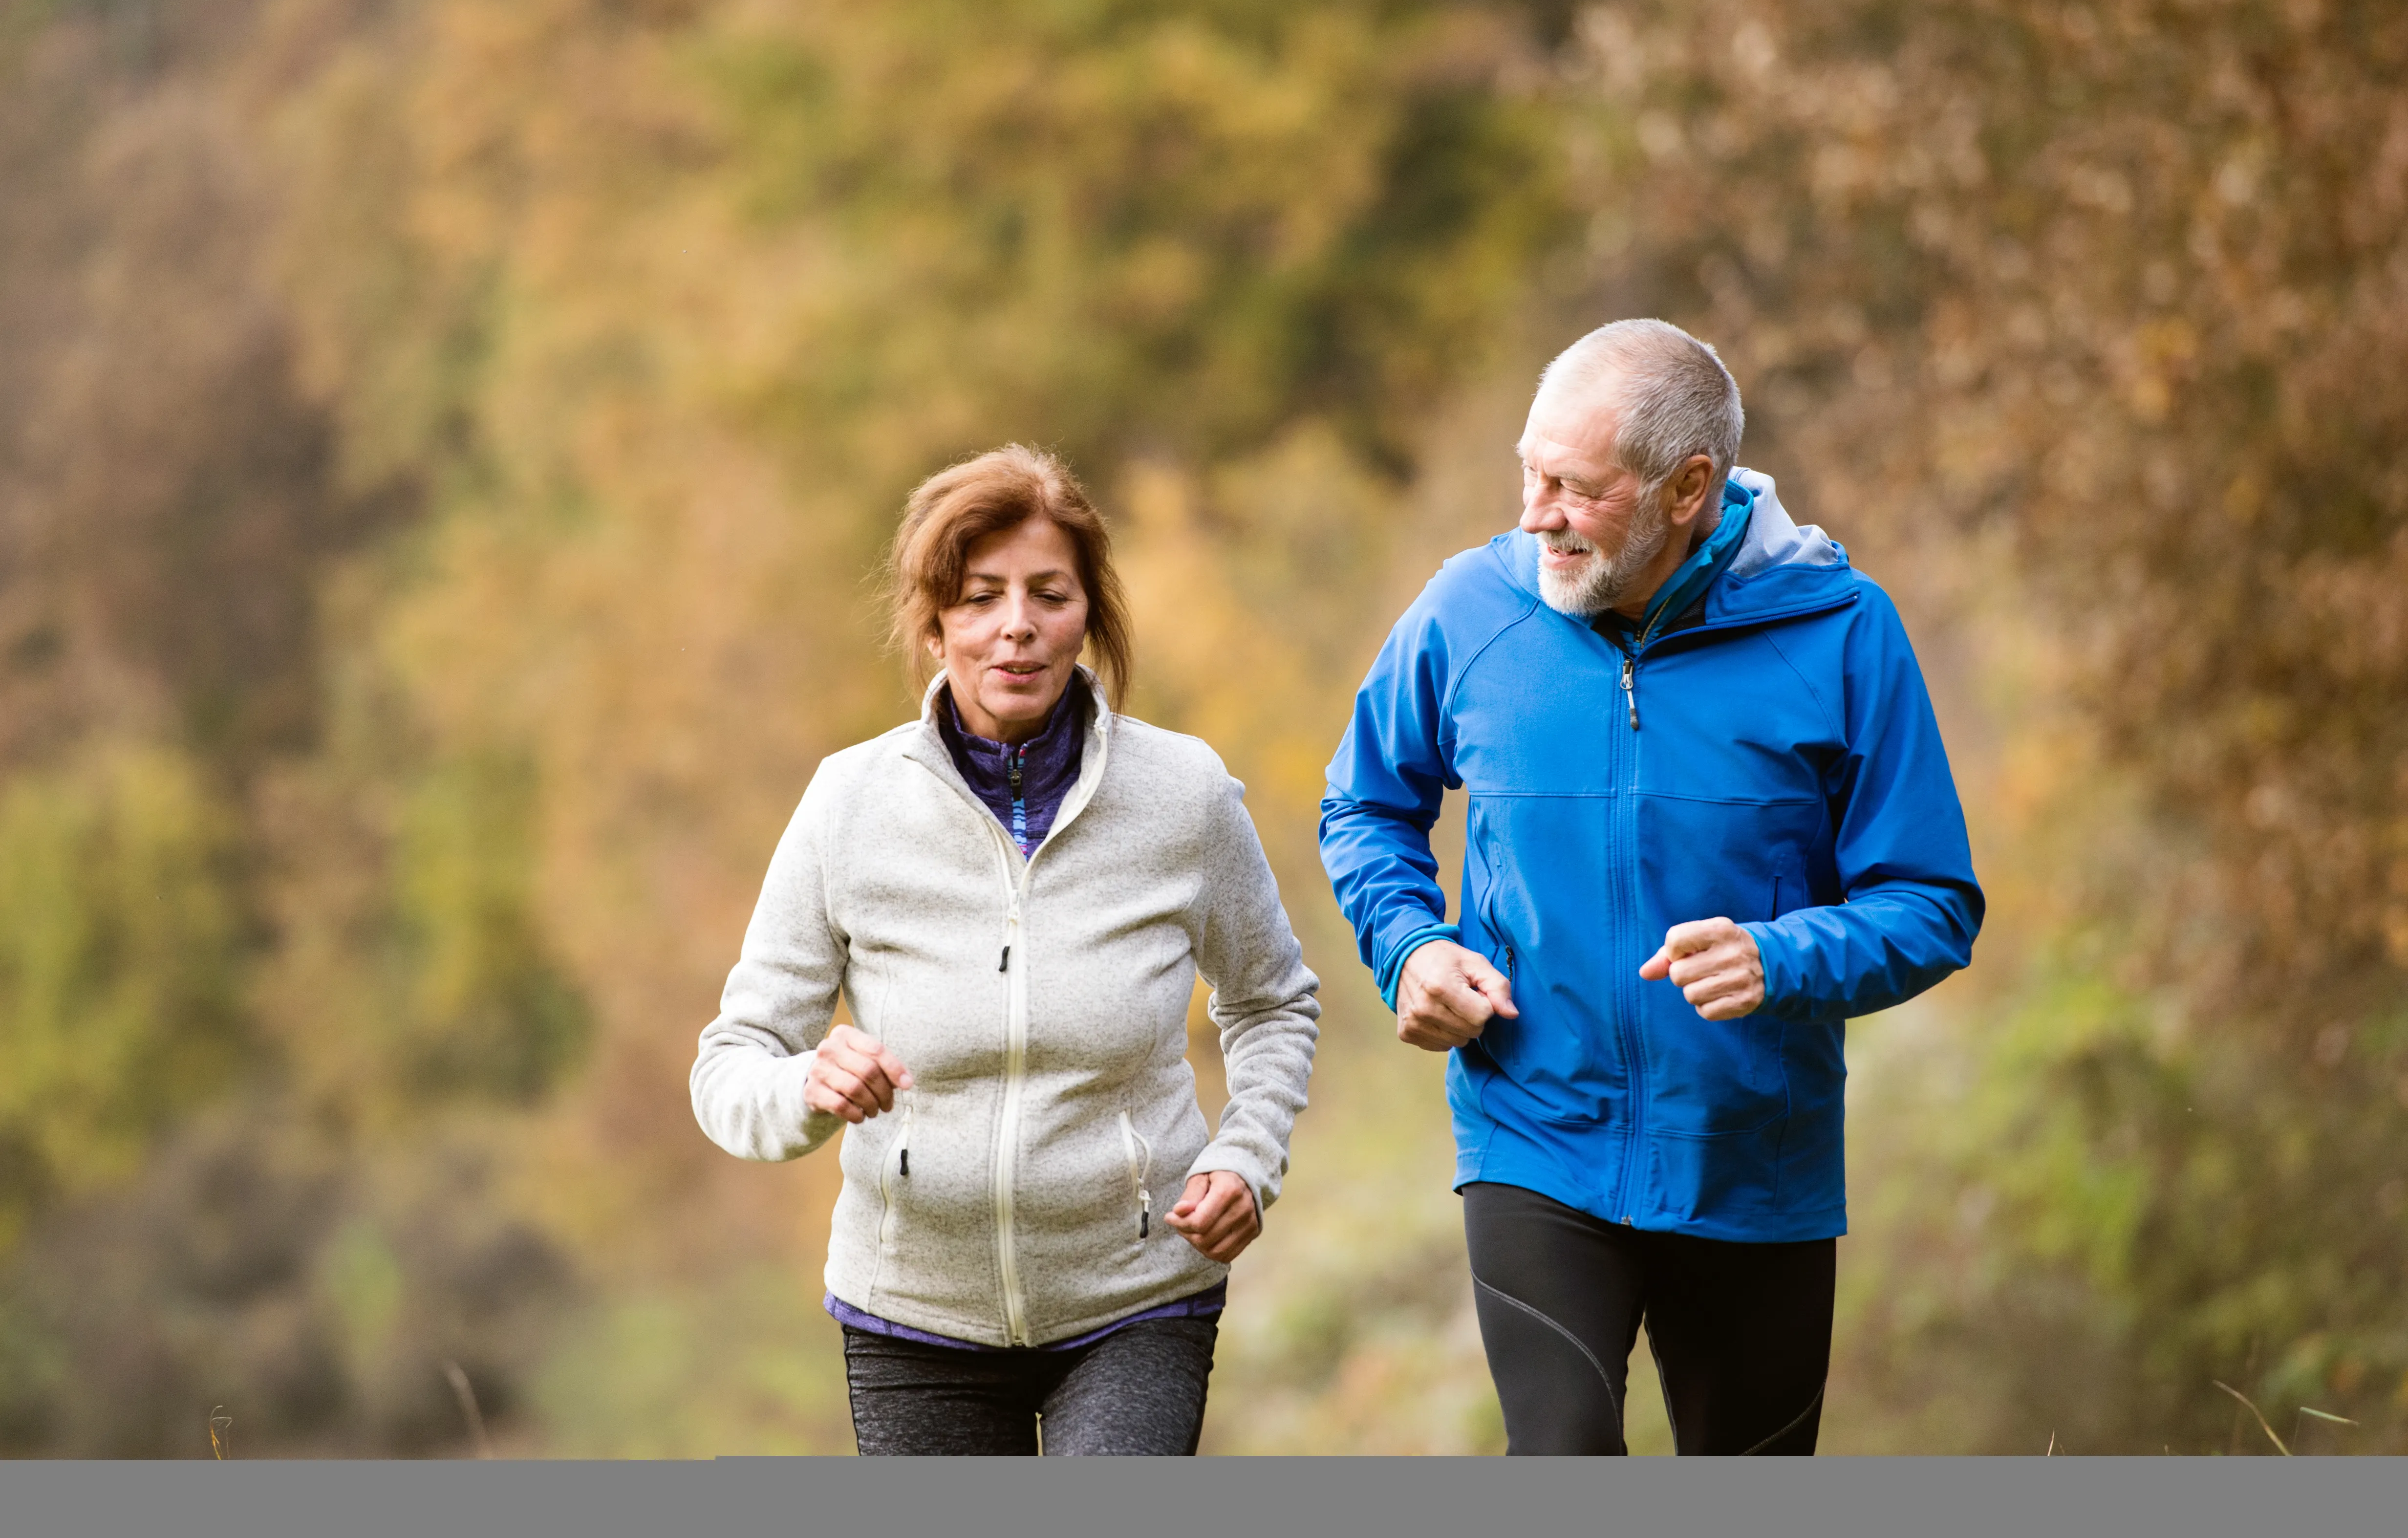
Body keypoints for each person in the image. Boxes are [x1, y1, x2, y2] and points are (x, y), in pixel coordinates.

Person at [1320, 319, 1983, 1455]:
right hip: (1535, 1132)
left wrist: (1783, 957)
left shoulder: (1838, 631)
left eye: (1574, 489)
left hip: (1750, 1161)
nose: (1535, 514)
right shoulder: (1470, 610)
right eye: (1529, 474)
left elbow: (1930, 898)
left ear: (1689, 488)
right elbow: (1366, 804)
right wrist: (1411, 945)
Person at [691, 445, 1319, 1455]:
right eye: (979, 596)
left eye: (1048, 593)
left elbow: (1270, 1000)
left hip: (1137, 1296)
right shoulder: (847, 805)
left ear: (1088, 613)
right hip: (912, 1314)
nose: (1016, 624)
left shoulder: (1184, 795)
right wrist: (808, 1081)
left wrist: (1249, 1155)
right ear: (933, 623)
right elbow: (732, 1061)